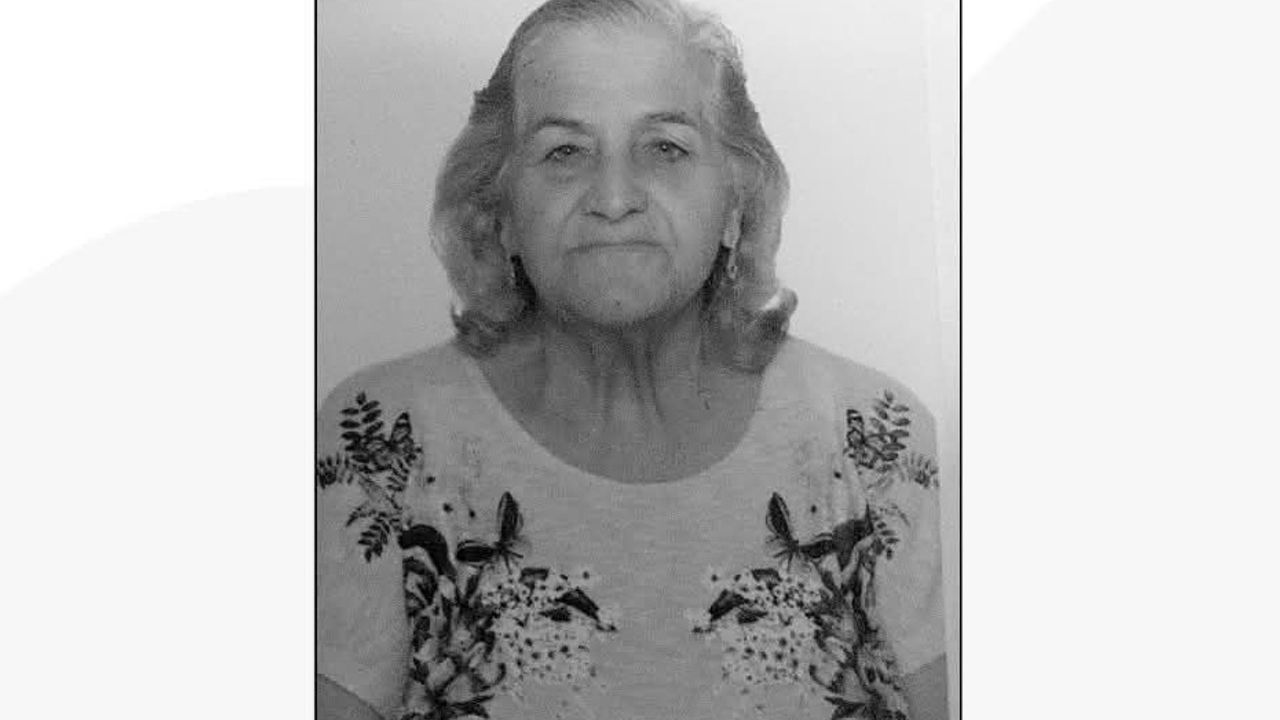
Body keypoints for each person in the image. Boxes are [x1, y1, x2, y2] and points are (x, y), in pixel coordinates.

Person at [317, 1, 948, 718]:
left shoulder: (876, 442)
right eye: (565, 152)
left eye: (665, 148)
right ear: (501, 214)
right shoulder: (381, 443)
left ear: (735, 205)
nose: (614, 199)